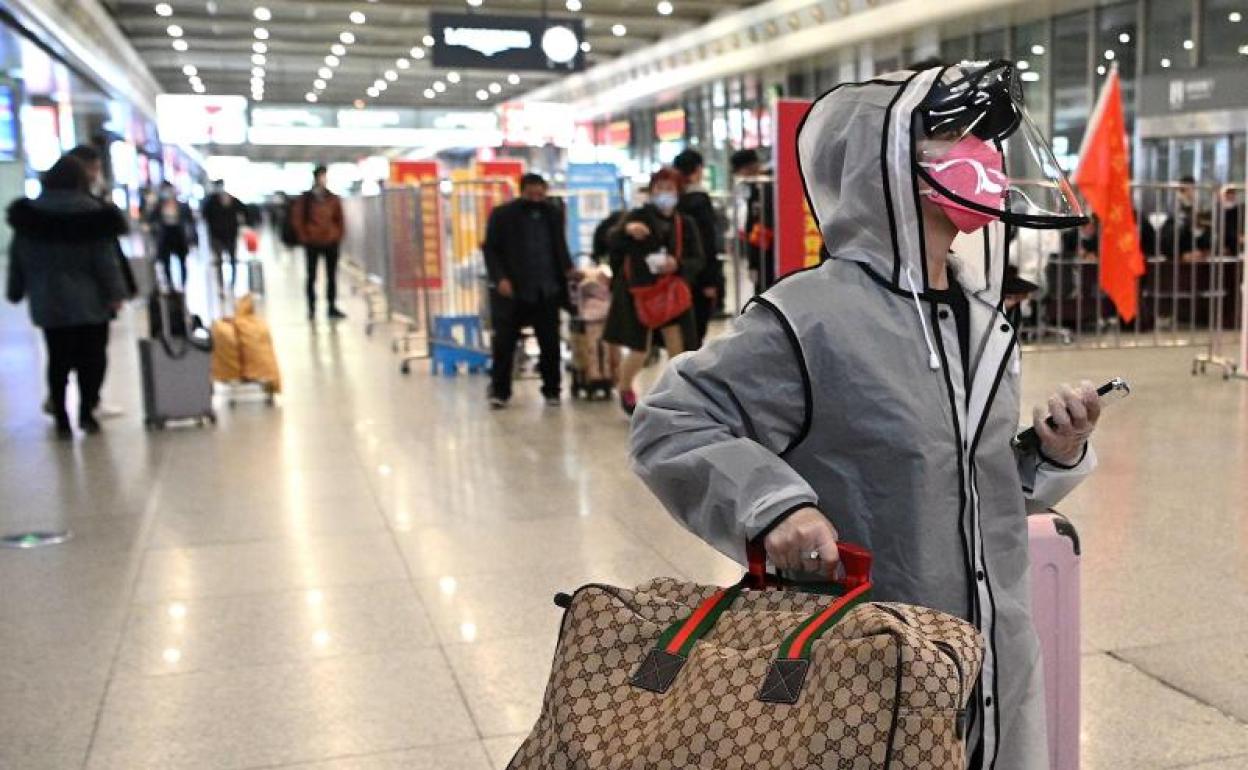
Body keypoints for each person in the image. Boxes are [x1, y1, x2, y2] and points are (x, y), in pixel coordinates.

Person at [630, 62, 1102, 770]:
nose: (984, 155)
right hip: (868, 665)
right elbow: (671, 420)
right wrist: (773, 507)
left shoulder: (982, 323)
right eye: (956, 136)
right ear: (888, 166)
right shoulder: (811, 316)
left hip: (993, 659)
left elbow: (963, 486)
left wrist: (1054, 452)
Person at [6, 156, 128, 438]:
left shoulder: (30, 217)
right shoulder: (94, 215)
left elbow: (18, 257)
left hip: (48, 300)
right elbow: (105, 261)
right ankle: (86, 413)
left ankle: (61, 417)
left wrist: (15, 289)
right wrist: (116, 294)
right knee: (93, 357)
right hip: (91, 302)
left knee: (57, 357)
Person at [604, 167, 704, 416]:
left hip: (671, 293)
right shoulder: (637, 217)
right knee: (639, 349)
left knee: (679, 350)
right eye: (659, 188)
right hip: (637, 292)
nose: (664, 193)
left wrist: (677, 265)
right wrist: (627, 231)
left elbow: (698, 259)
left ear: (678, 192)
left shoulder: (685, 223)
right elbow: (611, 240)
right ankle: (625, 387)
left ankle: (680, 398)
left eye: (669, 188)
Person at [482, 173, 574, 408]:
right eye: (531, 193)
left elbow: (559, 247)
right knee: (504, 344)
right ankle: (500, 391)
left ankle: (552, 389)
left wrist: (568, 270)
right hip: (513, 291)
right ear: (521, 191)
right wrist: (500, 278)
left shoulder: (553, 214)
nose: (536, 198)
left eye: (540, 194)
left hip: (546, 289)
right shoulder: (503, 215)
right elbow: (490, 250)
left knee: (550, 342)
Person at [673, 148, 725, 346]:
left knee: (683, 332)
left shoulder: (674, 200)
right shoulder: (700, 201)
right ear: (697, 170)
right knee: (695, 332)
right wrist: (711, 281)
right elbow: (708, 242)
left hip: (678, 274)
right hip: (700, 275)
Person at [291, 166, 346, 320]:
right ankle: (311, 307)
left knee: (332, 276)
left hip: (331, 242)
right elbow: (298, 219)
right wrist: (305, 236)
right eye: (322, 176)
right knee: (311, 276)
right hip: (312, 242)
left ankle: (331, 306)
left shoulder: (333, 198)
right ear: (316, 178)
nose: (324, 179)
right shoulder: (306, 200)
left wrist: (337, 235)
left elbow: (340, 219)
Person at [731, 148, 775, 295]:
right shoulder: (757, 187)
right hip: (763, 252)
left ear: (749, 168)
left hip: (768, 255)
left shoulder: (767, 187)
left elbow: (762, 227)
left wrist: (755, 262)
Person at [147, 181, 195, 290]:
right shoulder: (158, 207)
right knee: (165, 262)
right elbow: (150, 220)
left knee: (182, 261)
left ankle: (183, 285)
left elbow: (190, 222)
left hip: (179, 236)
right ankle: (170, 284)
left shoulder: (182, 206)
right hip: (165, 237)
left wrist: (192, 239)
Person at [201, 179, 247, 292]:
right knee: (219, 261)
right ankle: (220, 284)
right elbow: (204, 215)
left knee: (232, 259)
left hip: (231, 234)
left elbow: (244, 210)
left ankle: (233, 283)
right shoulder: (210, 201)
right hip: (216, 236)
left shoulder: (231, 199)